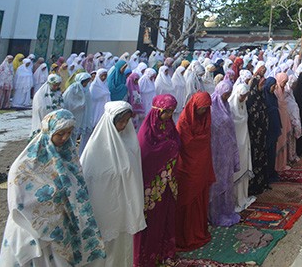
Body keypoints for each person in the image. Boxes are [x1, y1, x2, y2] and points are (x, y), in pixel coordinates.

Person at [0, 109, 106, 266]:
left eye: (69, 133)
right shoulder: (25, 165)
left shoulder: (69, 158)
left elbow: (78, 187)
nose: (65, 138)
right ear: (49, 132)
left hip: (63, 227)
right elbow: (19, 200)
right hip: (34, 231)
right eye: (60, 133)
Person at [81, 101, 145, 266]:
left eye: (126, 121)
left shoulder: (130, 143)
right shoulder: (95, 149)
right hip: (104, 210)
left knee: (123, 248)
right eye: (120, 121)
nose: (123, 125)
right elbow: (88, 181)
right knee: (105, 250)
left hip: (125, 208)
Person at [134, 94, 180, 267]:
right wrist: (168, 149)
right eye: (166, 112)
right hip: (153, 186)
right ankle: (147, 256)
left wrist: (170, 149)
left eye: (171, 112)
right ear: (157, 111)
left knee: (165, 218)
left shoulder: (169, 126)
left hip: (167, 183)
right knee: (152, 221)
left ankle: (164, 252)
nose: (169, 116)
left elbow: (177, 142)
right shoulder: (147, 132)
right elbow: (146, 154)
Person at [175, 92, 214, 251]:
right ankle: (185, 236)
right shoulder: (184, 121)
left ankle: (199, 231)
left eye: (206, 109)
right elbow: (187, 144)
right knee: (187, 201)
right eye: (201, 109)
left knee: (200, 200)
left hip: (202, 166)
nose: (203, 112)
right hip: (187, 169)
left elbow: (205, 141)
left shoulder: (206, 118)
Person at [208, 80, 242, 226]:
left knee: (226, 182)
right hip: (215, 153)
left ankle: (226, 211)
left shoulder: (226, 106)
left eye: (228, 95)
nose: (227, 97)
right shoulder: (211, 108)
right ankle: (214, 213)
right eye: (225, 95)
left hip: (226, 152)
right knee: (216, 183)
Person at [229, 82, 255, 211]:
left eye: (245, 96)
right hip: (236, 145)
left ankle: (243, 196)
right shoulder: (230, 107)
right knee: (236, 172)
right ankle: (235, 199)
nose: (244, 99)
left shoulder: (243, 105)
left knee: (244, 168)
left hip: (245, 142)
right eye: (242, 96)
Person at [245, 70, 269, 195]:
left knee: (262, 157)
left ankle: (262, 183)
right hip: (254, 135)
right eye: (260, 84)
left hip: (262, 134)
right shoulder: (250, 99)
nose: (262, 87)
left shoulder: (261, 96)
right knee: (255, 159)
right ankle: (254, 186)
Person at [63, 73, 95, 153]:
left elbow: (88, 102)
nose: (85, 84)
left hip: (83, 115)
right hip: (74, 114)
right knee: (70, 133)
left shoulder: (87, 88)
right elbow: (67, 101)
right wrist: (79, 105)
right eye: (84, 82)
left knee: (77, 135)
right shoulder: (73, 88)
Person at [261, 76, 281, 184]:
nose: (274, 88)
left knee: (272, 152)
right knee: (268, 153)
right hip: (268, 129)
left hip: (274, 126)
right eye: (273, 86)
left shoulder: (272, 96)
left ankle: (272, 172)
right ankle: (268, 175)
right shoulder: (264, 96)